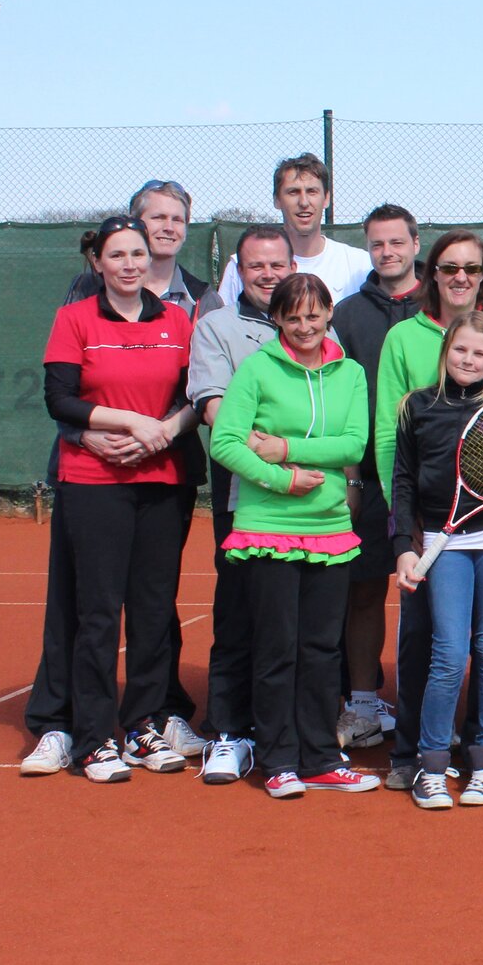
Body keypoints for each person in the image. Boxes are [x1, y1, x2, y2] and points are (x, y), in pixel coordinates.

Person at [28, 181, 211, 770]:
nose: (130, 264)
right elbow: (60, 398)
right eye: (118, 254)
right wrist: (128, 423)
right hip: (93, 482)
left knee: (155, 607)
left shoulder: (180, 320)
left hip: (163, 481)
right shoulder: (75, 317)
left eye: (137, 254)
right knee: (98, 611)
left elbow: (197, 395)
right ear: (97, 262)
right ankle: (92, 734)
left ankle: (143, 726)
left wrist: (166, 431)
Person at [374, 229, 483, 790]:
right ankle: (428, 763)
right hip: (438, 542)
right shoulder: (415, 406)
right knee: (446, 652)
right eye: (459, 350)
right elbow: (401, 479)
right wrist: (404, 544)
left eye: (480, 353)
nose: (468, 359)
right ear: (446, 353)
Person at [208, 273, 378, 798]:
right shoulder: (257, 368)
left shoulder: (349, 372)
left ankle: (321, 757)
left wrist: (284, 451)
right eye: (293, 316)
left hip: (330, 529)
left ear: (330, 313)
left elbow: (353, 443)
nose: (305, 326)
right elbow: (226, 442)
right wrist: (280, 480)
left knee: (323, 650)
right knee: (277, 649)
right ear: (278, 320)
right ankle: (278, 759)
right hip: (267, 528)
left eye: (314, 314)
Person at [184, 226, 295, 785]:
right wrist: (279, 458)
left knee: (296, 618)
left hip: (309, 501)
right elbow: (215, 414)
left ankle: (291, 729)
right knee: (237, 611)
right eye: (257, 266)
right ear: (240, 270)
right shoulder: (216, 328)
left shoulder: (316, 326)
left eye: (277, 264)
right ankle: (229, 731)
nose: (268, 274)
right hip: (245, 498)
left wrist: (302, 460)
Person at [330, 204, 421, 749]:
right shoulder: (346, 314)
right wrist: (351, 477)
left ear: (415, 244)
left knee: (429, 597)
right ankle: (362, 703)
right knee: (362, 592)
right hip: (366, 477)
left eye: (396, 242)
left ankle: (423, 707)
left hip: (432, 481)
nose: (387, 253)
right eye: (377, 245)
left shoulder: (441, 308)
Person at [217, 153, 372, 309]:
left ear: (326, 198)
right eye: (293, 192)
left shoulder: (359, 264)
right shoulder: (241, 266)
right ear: (277, 200)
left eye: (312, 191)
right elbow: (223, 324)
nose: (304, 202)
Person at [62, 180, 213, 316]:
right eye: (158, 217)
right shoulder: (88, 287)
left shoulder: (203, 298)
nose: (169, 227)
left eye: (177, 220)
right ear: (135, 224)